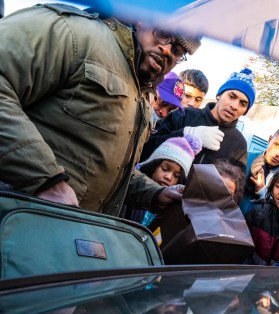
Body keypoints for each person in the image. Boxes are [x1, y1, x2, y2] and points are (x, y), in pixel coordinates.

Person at [0, 3, 201, 215]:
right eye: (163, 33)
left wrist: (154, 194)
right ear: (142, 18)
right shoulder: (76, 33)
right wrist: (46, 181)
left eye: (178, 50)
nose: (167, 49)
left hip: (65, 233)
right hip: (13, 217)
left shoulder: (141, 95)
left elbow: (108, 170)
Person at [140, 68, 257, 172]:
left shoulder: (239, 145)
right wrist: (185, 134)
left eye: (243, 103)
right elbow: (145, 150)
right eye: (232, 96)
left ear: (245, 110)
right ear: (219, 95)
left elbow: (235, 190)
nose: (235, 106)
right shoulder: (183, 115)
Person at [121, 135, 202, 227]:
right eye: (165, 168)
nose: (168, 177)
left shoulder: (171, 206)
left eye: (176, 176)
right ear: (152, 165)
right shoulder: (130, 189)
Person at [241, 125, 279, 214]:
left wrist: (262, 191)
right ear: (269, 140)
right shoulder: (244, 157)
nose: (278, 153)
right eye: (277, 145)